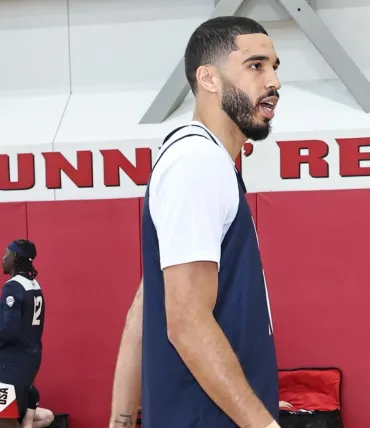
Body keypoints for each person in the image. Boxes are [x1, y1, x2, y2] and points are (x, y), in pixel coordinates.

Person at [109, 16, 281, 428]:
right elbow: (186, 322)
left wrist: (119, 420)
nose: (273, 81)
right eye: (256, 66)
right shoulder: (198, 162)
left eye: (275, 67)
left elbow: (144, 305)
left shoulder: (204, 161)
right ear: (208, 77)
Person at [0, 240, 44, 428]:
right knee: (6, 418)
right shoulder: (34, 285)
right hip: (29, 359)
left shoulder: (13, 287)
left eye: (6, 253)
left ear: (15, 257)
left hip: (11, 363)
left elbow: (9, 328)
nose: (3, 258)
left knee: (4, 418)